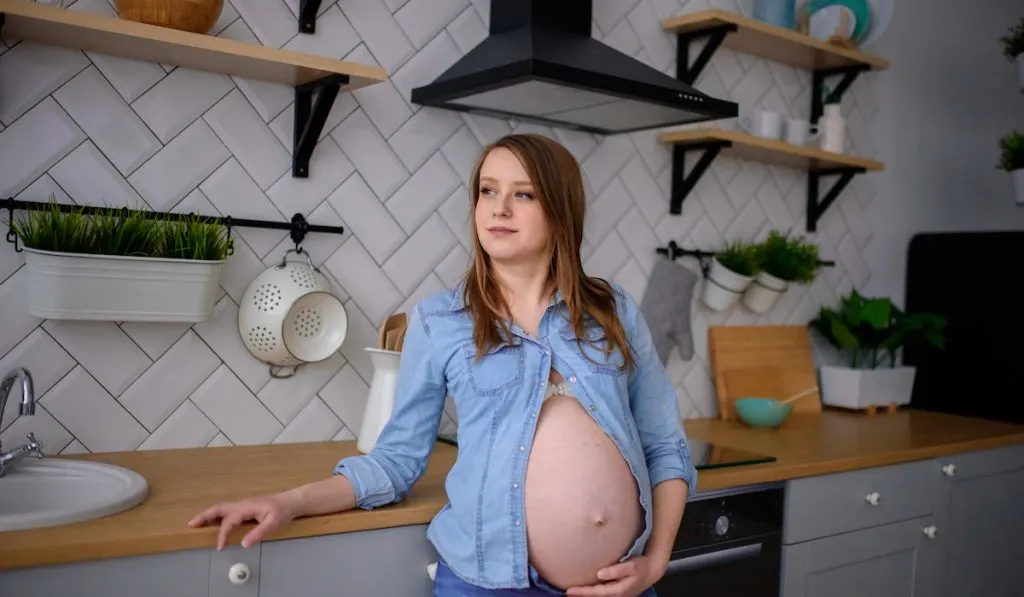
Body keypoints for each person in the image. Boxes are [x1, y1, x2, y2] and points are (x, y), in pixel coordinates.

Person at [188, 133, 697, 597]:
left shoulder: (615, 311)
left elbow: (665, 446)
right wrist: (291, 501)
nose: (498, 208)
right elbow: (396, 460)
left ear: (561, 210)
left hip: (622, 586)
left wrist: (655, 562)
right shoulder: (439, 321)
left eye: (523, 194)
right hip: (490, 586)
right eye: (487, 191)